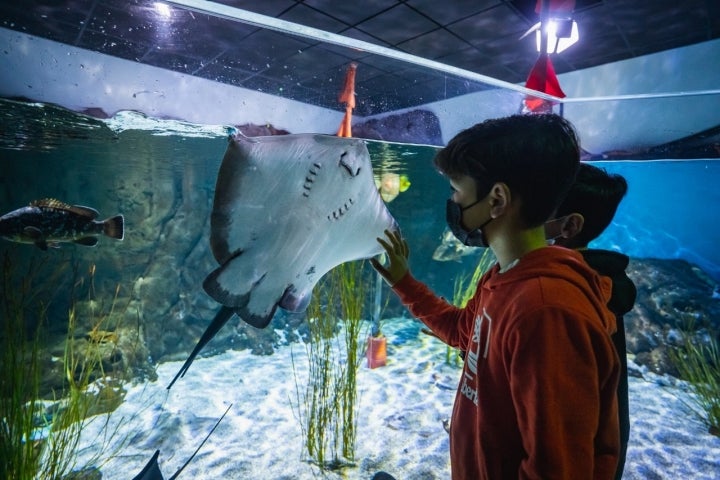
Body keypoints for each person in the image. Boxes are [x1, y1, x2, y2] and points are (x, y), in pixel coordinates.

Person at [372, 114, 620, 479]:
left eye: (457, 190)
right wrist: (402, 281)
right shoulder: (505, 276)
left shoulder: (547, 310)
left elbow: (557, 468)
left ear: (497, 199)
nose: (453, 202)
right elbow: (463, 331)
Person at [545, 162, 637, 480]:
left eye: (536, 207)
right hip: (599, 447)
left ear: (569, 226)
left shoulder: (567, 290)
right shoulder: (600, 280)